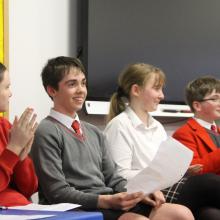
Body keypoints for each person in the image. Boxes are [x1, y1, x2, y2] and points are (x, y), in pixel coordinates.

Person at [31, 56, 194, 220]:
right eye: (72, 84)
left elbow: (113, 179)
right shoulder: (46, 131)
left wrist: (139, 192)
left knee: (181, 214)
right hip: (77, 209)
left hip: (108, 201)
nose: (81, 89)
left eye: (83, 83)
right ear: (52, 90)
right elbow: (57, 193)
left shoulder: (94, 131)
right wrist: (105, 201)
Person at [104, 63, 220, 220]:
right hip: (144, 192)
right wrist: (155, 178)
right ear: (136, 90)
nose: (162, 95)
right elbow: (119, 175)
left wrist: (181, 170)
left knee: (210, 214)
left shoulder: (157, 126)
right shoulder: (119, 125)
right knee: (208, 182)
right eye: (156, 88)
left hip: (162, 186)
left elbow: (163, 164)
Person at [0, 62, 38, 207]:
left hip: (23, 209)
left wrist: (21, 158)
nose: (10, 93)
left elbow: (29, 190)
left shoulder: (5, 127)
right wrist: (13, 149)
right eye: (7, 87)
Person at [173, 76, 220, 175]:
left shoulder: (217, 130)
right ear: (197, 106)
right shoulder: (183, 133)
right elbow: (193, 169)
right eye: (215, 99)